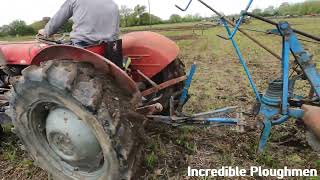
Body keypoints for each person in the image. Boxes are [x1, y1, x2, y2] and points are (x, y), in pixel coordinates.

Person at [38, 0, 120, 47]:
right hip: (110, 47)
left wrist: (46, 31)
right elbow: (116, 30)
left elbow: (58, 19)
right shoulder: (113, 3)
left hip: (83, 45)